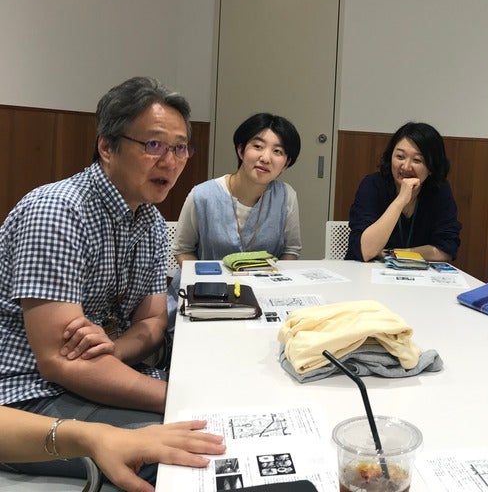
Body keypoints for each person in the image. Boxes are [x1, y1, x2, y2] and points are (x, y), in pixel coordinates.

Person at [0, 76, 194, 482]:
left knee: (212, 424)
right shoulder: (57, 212)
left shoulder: (151, 222)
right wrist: (181, 397)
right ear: (107, 147)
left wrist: (114, 348)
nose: (170, 161)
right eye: (154, 144)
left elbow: (153, 321)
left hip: (93, 380)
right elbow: (59, 362)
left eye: (180, 148)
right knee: (190, 452)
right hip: (27, 400)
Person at [167, 113, 301, 326]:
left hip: (261, 299)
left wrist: (272, 286)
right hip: (206, 299)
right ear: (241, 150)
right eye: (258, 146)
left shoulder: (286, 197)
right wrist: (208, 285)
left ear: (286, 164)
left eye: (278, 151)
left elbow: (291, 250)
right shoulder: (202, 195)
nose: (266, 158)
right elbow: (182, 249)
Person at [0, 406, 225, 492]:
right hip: (30, 405)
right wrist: (91, 437)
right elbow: (60, 364)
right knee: (174, 460)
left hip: (61, 395)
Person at [345, 121, 461, 262]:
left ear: (432, 167)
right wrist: (400, 200)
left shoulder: (439, 190)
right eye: (400, 157)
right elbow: (365, 250)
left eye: (417, 160)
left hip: (417, 273)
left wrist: (394, 254)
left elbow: (447, 249)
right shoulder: (373, 185)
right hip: (366, 271)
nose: (406, 167)